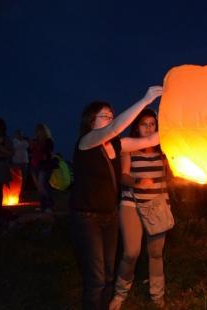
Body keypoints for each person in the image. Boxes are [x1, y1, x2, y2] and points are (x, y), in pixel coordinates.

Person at [70, 86, 162, 310]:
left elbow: (148, 141)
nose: (110, 118)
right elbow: (115, 128)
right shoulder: (87, 142)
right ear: (91, 121)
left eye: (112, 115)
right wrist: (146, 99)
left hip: (110, 217)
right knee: (96, 279)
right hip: (87, 218)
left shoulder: (116, 145)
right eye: (105, 115)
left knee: (109, 275)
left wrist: (180, 121)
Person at [110, 108, 170, 309]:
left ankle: (157, 295)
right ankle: (120, 293)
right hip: (132, 203)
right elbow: (123, 176)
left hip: (157, 205)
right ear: (137, 127)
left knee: (155, 253)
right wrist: (137, 182)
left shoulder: (165, 151)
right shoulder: (129, 148)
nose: (148, 128)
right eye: (144, 124)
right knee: (131, 252)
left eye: (152, 124)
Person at [29, 123, 56, 213]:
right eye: (36, 131)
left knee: (43, 185)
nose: (37, 132)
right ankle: (43, 205)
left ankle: (49, 205)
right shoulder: (35, 140)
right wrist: (32, 145)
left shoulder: (48, 141)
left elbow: (48, 152)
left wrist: (40, 146)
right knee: (39, 187)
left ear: (44, 131)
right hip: (35, 165)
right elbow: (31, 151)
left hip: (45, 166)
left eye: (39, 130)